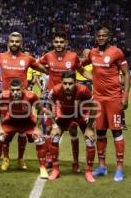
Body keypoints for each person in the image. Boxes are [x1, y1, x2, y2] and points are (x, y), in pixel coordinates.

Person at [0, 32, 47, 171]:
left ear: (21, 43)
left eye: (17, 41)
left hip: (22, 101)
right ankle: (6, 158)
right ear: (8, 43)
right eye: (12, 41)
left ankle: (20, 158)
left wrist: (55, 70)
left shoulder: (28, 59)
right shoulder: (1, 57)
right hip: (5, 100)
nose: (14, 43)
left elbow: (44, 69)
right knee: (3, 132)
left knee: (22, 133)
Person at [37, 31, 92, 170]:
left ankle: (75, 161)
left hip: (70, 100)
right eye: (56, 42)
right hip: (54, 98)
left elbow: (83, 72)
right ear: (53, 43)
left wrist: (98, 80)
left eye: (62, 42)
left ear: (66, 43)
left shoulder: (73, 56)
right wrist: (45, 71)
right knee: (49, 128)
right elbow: (36, 65)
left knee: (73, 129)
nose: (59, 44)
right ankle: (50, 158)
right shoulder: (48, 56)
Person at [82, 26, 131, 182]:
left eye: (104, 35)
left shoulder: (116, 52)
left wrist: (125, 97)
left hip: (114, 99)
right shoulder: (92, 53)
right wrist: (92, 78)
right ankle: (102, 166)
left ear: (109, 37)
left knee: (116, 132)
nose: (101, 38)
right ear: (96, 37)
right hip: (98, 99)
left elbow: (126, 74)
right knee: (101, 132)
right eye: (99, 35)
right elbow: (80, 66)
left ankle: (119, 168)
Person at [0, 78, 48, 178]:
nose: (15, 93)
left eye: (18, 90)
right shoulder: (4, 95)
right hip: (11, 121)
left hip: (27, 122)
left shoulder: (31, 96)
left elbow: (41, 110)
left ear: (23, 89)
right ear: (10, 90)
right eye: (13, 90)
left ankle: (43, 168)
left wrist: (37, 127)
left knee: (40, 139)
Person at [46, 71, 96, 182]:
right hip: (64, 114)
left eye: (70, 83)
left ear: (76, 82)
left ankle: (88, 171)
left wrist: (89, 128)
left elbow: (93, 107)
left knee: (90, 140)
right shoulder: (56, 90)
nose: (67, 86)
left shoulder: (83, 90)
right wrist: (54, 125)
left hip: (82, 114)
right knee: (54, 137)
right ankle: (55, 169)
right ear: (61, 82)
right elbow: (48, 105)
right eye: (65, 83)